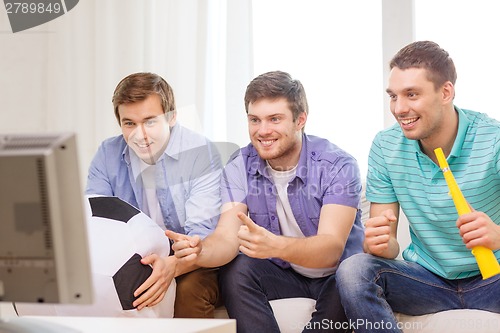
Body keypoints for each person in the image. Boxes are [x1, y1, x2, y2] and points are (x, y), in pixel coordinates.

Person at [167, 70, 364, 333]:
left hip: (335, 275)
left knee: (351, 278)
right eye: (254, 120)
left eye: (274, 119)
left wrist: (276, 246)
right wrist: (201, 250)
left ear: (300, 119)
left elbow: (331, 249)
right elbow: (227, 237)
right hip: (283, 273)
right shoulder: (240, 164)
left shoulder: (337, 165)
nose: (263, 131)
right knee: (238, 268)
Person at [336, 40, 500, 333]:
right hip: (427, 281)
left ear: (446, 92)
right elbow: (388, 245)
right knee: (354, 270)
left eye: (411, 94)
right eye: (393, 96)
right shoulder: (386, 146)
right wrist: (381, 244)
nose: (399, 109)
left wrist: (498, 235)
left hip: (493, 279)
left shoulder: (493, 139)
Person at [86, 72, 222, 318]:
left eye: (150, 121)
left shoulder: (201, 153)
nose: (140, 135)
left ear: (171, 118)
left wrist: (173, 266)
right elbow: (95, 224)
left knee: (189, 291)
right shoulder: (108, 153)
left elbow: (201, 237)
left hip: (192, 258)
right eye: (130, 124)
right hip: (131, 257)